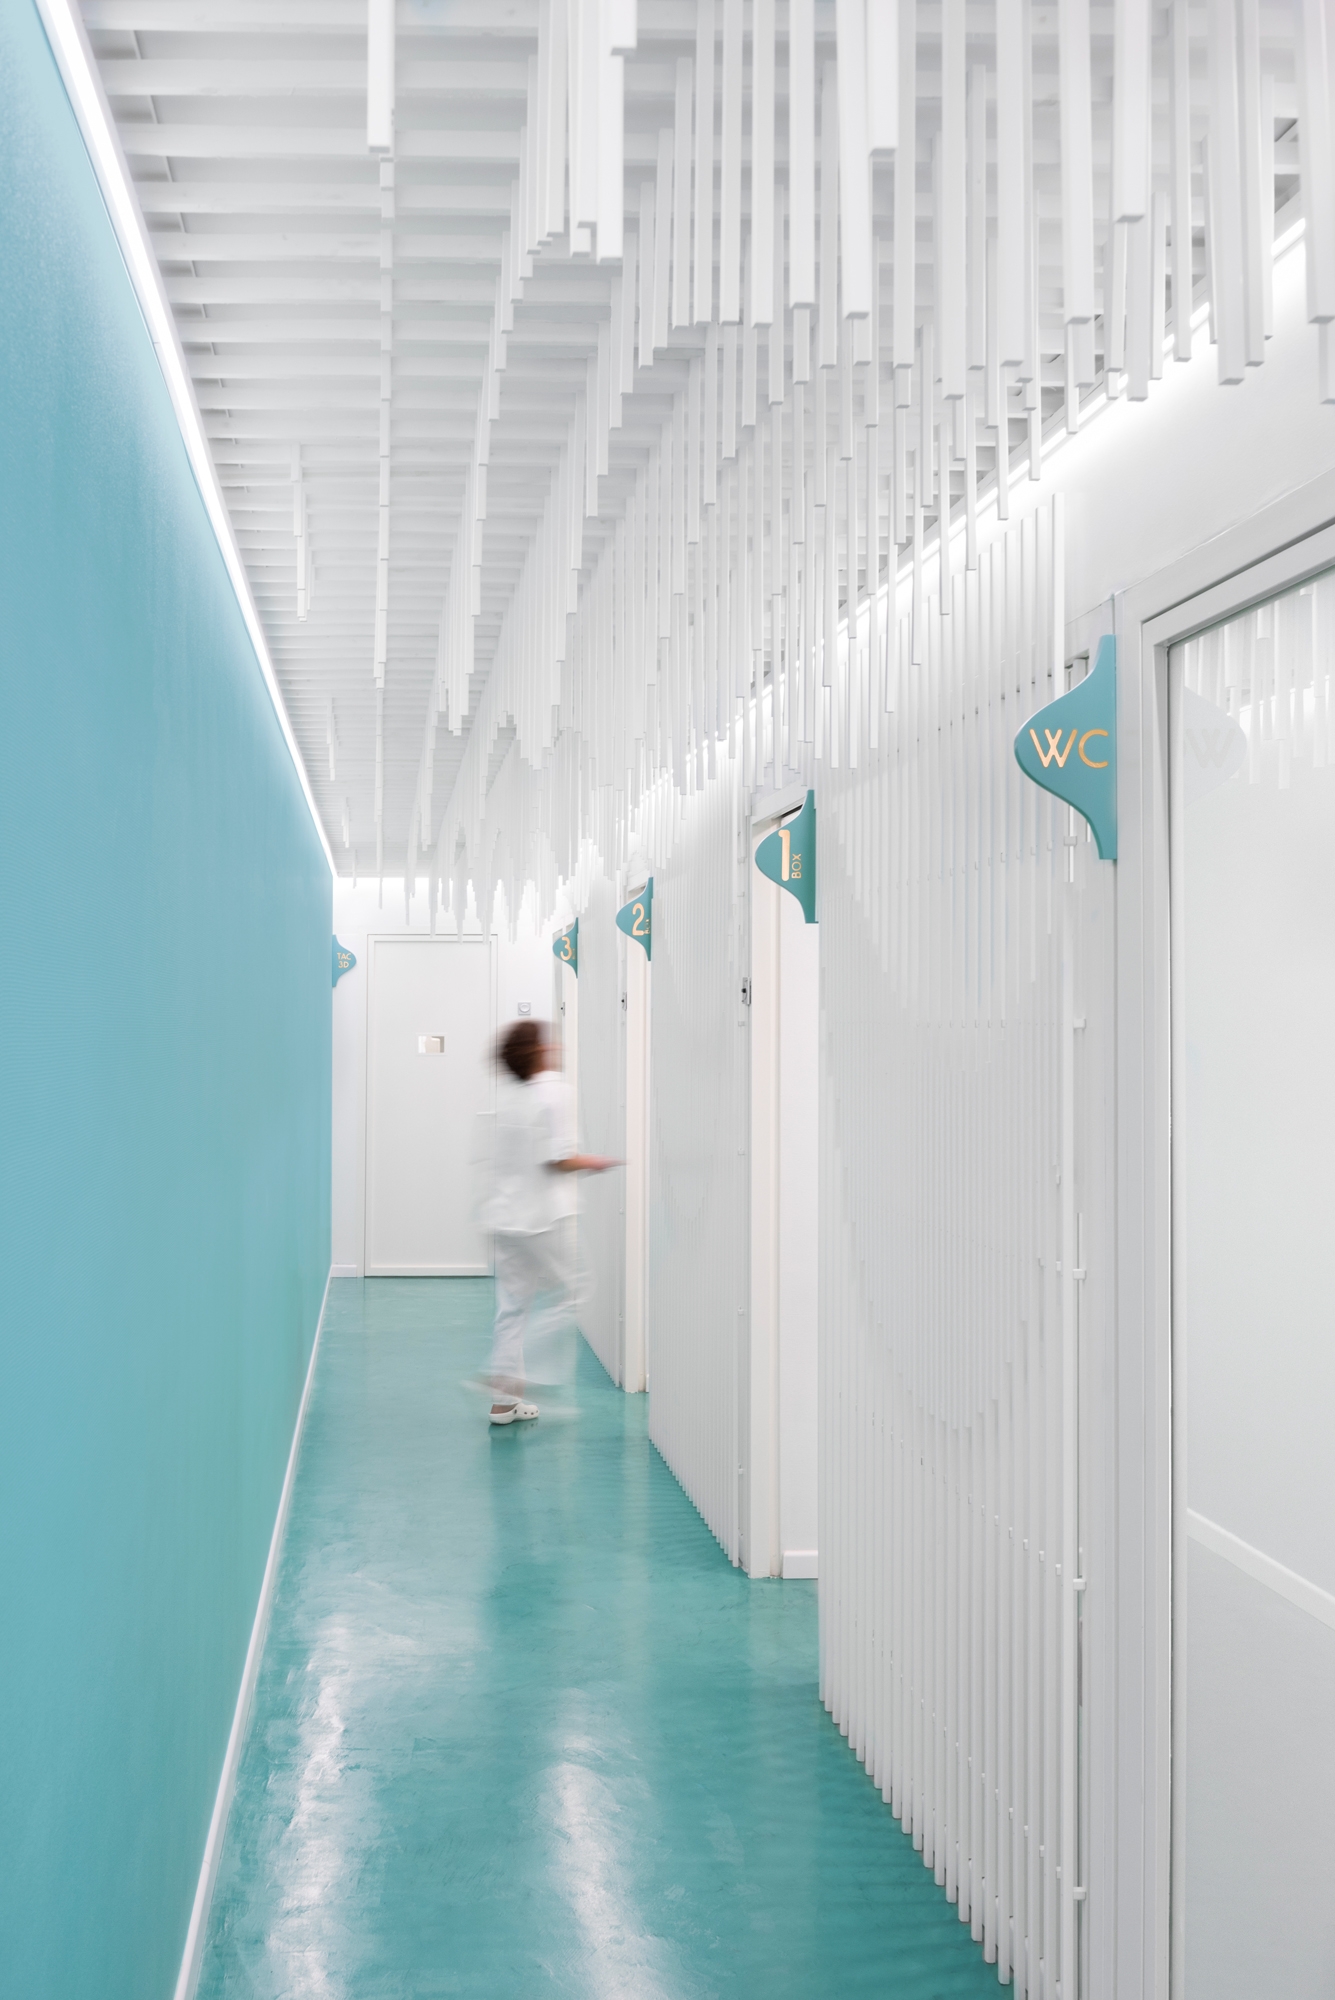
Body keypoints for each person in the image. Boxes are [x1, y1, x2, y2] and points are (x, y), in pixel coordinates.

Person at [482, 1019, 617, 1426]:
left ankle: (503, 1403)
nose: (556, 1048)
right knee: (574, 1292)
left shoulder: (510, 1097)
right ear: (538, 1051)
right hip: (544, 1218)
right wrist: (598, 1162)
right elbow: (560, 1159)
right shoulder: (556, 1092)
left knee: (512, 1309)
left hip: (504, 1218)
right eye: (550, 1043)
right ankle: (512, 1376)